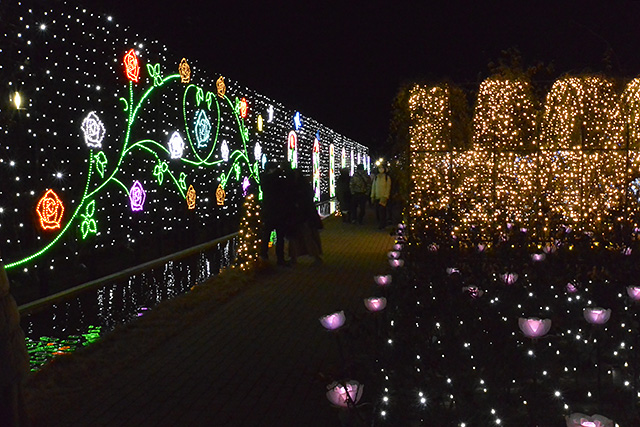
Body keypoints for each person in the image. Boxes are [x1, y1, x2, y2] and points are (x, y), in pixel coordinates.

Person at [288, 169, 323, 264]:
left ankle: (294, 257)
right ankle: (314, 256)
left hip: (300, 216)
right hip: (304, 216)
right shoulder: (305, 186)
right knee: (306, 237)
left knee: (299, 237)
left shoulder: (295, 187)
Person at [259, 161, 290, 265]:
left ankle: (264, 255)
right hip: (278, 211)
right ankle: (279, 258)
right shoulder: (275, 179)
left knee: (267, 234)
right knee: (279, 236)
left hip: (269, 210)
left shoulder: (264, 178)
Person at [371, 164, 392, 229]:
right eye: (379, 168)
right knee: (378, 211)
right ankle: (381, 223)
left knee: (382, 211)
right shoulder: (376, 177)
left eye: (382, 168)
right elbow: (373, 187)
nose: (381, 169)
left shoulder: (387, 178)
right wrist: (372, 196)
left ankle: (382, 224)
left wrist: (386, 196)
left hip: (383, 197)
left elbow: (388, 187)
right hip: (377, 196)